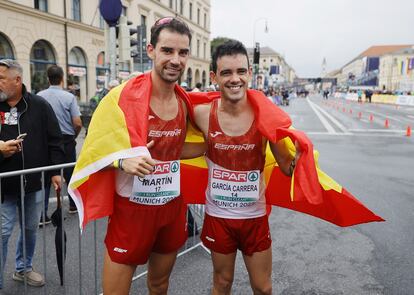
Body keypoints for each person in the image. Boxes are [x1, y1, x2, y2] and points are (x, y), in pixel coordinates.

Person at [68, 18, 193, 295]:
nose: (176, 60)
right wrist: (122, 161)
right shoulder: (120, 97)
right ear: (150, 50)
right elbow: (92, 152)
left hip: (172, 208)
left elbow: (179, 147)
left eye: (183, 53)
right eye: (167, 51)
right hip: (132, 212)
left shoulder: (185, 102)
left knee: (160, 285)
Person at [188, 40, 301, 295]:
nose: (234, 79)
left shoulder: (265, 116)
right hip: (219, 217)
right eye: (226, 73)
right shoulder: (202, 114)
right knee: (222, 283)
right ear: (214, 77)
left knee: (263, 288)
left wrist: (300, 159)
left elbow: (286, 166)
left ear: (250, 74)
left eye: (240, 71)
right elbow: (167, 116)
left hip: (254, 219)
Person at [0, 59, 64, 288]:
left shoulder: (39, 105)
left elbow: (55, 140)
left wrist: (55, 172)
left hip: (33, 184)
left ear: (17, 80)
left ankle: (23, 268)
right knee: (3, 232)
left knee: (29, 229)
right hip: (3, 187)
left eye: (1, 79)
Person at [37, 65, 82, 218]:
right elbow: (77, 123)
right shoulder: (69, 97)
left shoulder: (39, 96)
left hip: (46, 141)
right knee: (69, 174)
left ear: (48, 79)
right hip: (66, 139)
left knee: (46, 177)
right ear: (62, 78)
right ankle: (73, 205)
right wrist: (73, 137)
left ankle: (42, 214)